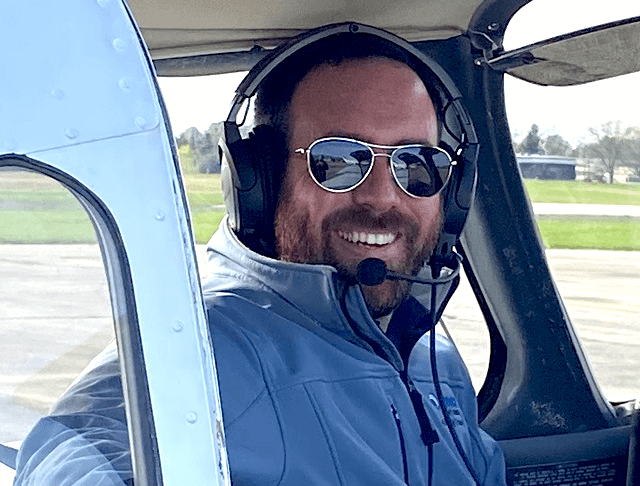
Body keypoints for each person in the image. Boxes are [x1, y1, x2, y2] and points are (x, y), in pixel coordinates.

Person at [13, 24, 506, 486]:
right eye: (336, 161)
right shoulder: (206, 347)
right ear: (257, 182)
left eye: (415, 162)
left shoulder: (428, 349)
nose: (383, 196)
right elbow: (70, 459)